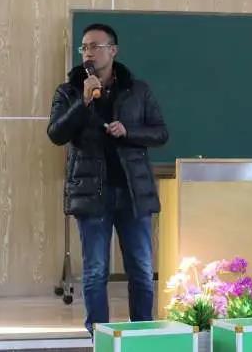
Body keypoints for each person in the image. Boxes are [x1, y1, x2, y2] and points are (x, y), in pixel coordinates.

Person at [46, 23, 168, 335]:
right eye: (84, 47)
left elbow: (160, 133)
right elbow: (56, 134)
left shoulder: (137, 89)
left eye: (95, 46)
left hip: (133, 192)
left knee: (141, 269)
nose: (88, 52)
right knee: (95, 271)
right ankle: (99, 336)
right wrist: (83, 102)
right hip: (91, 193)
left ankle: (142, 334)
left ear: (113, 50)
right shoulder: (69, 91)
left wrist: (129, 132)